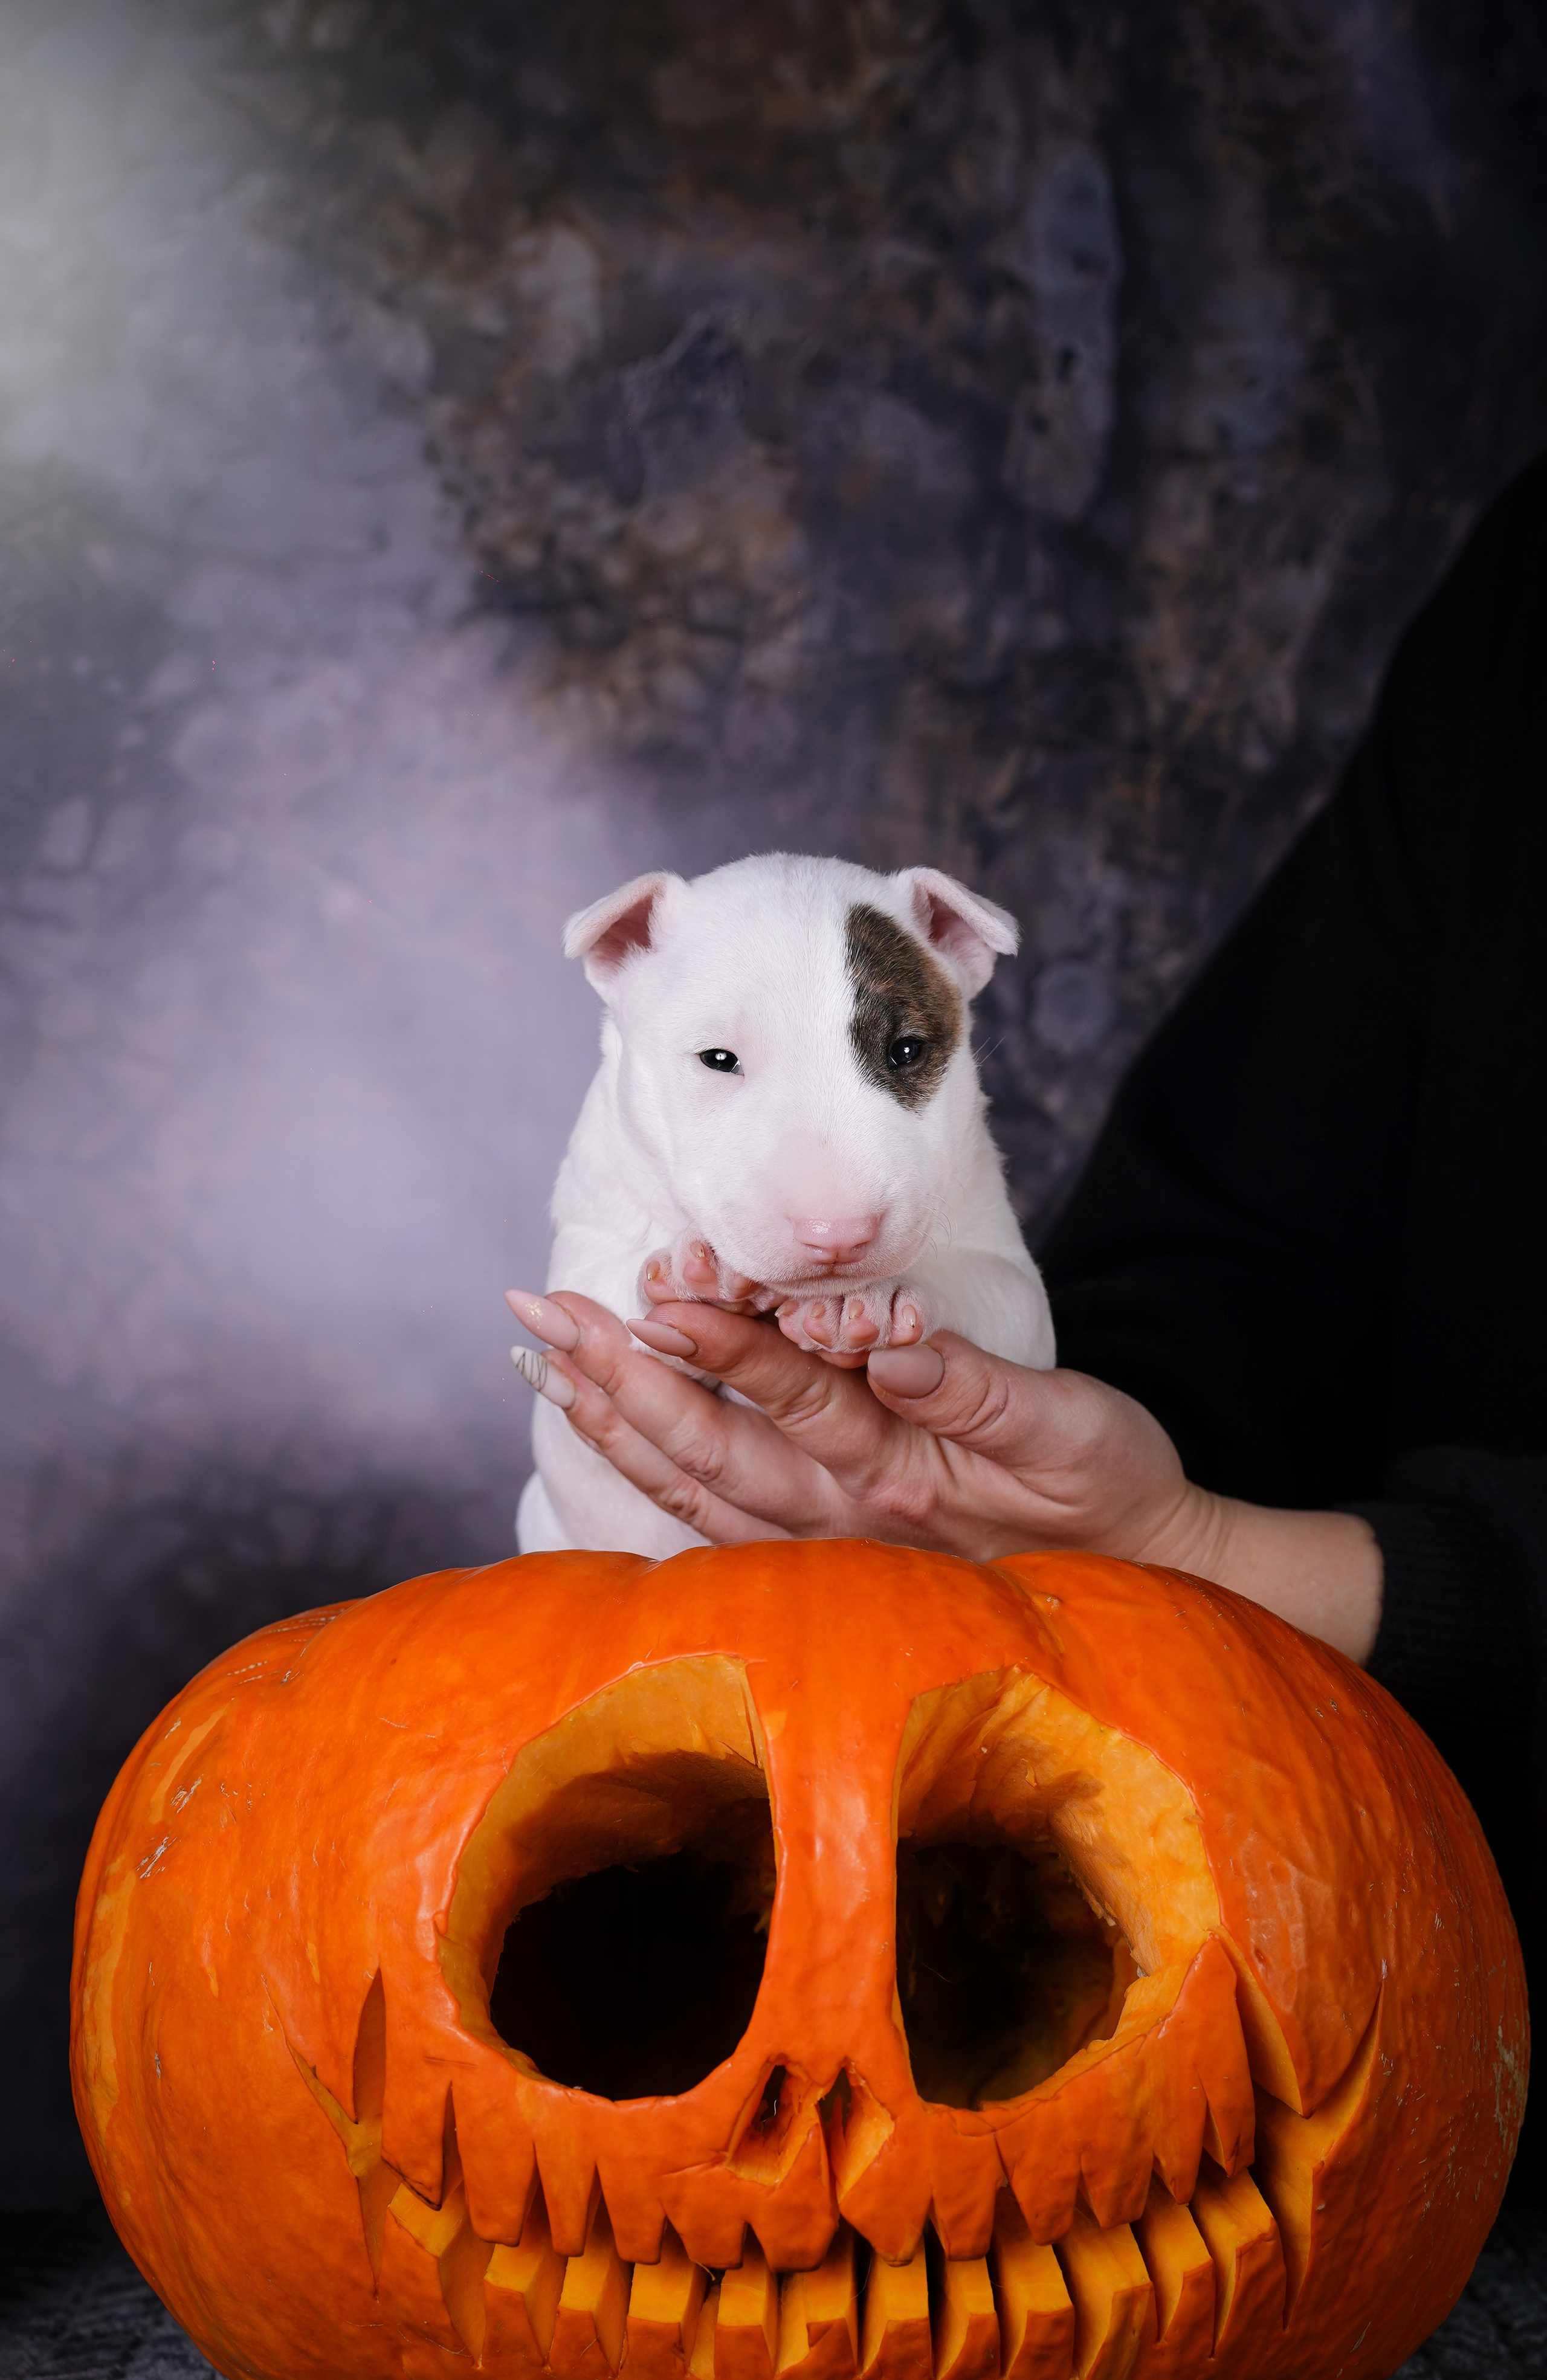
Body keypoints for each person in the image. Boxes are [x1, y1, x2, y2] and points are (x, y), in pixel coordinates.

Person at [510, 452, 1547, 2171]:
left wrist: (1203, 1548)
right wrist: (1003, 1443)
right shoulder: (1526, 600)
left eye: (897, 1058)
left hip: (1380, 2020)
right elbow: (1240, 1237)